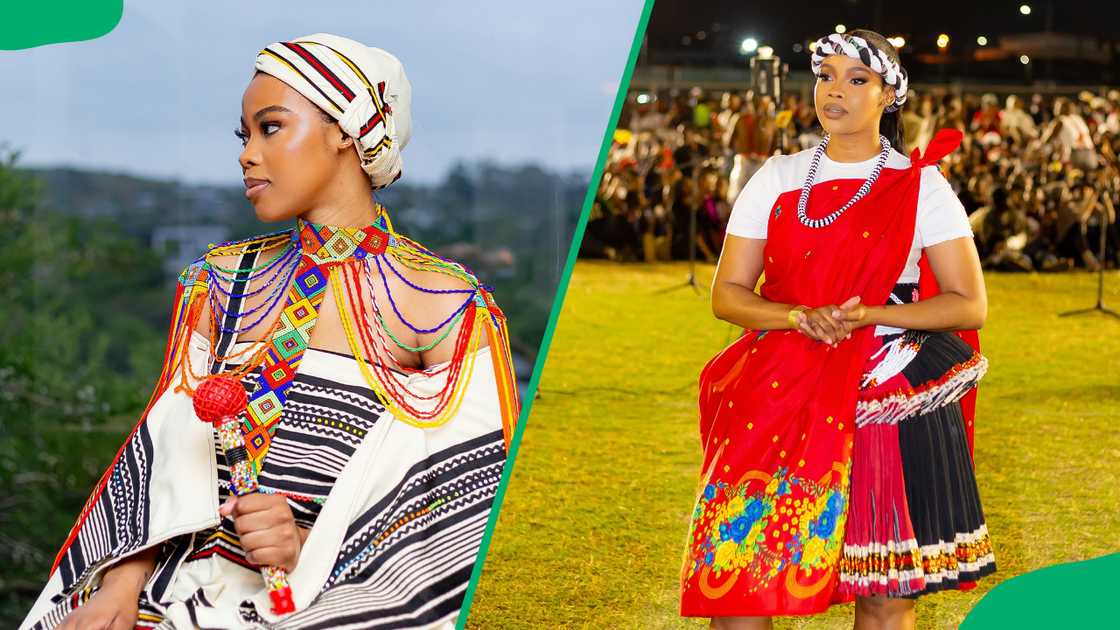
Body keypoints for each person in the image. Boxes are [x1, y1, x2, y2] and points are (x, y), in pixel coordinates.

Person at [22, 33, 520, 630]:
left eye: (271, 127)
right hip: (166, 588)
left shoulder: (443, 307)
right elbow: (162, 456)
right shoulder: (222, 283)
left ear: (347, 132)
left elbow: (460, 516)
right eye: (244, 134)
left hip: (333, 603)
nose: (247, 154)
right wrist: (117, 587)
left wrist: (308, 547)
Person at [679, 29, 996, 630]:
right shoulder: (775, 177)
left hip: (885, 392)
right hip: (779, 385)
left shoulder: (923, 186)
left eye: (858, 80)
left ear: (888, 95)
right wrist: (796, 316)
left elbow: (966, 304)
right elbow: (728, 294)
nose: (836, 91)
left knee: (883, 595)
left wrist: (873, 315)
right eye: (827, 76)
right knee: (742, 585)